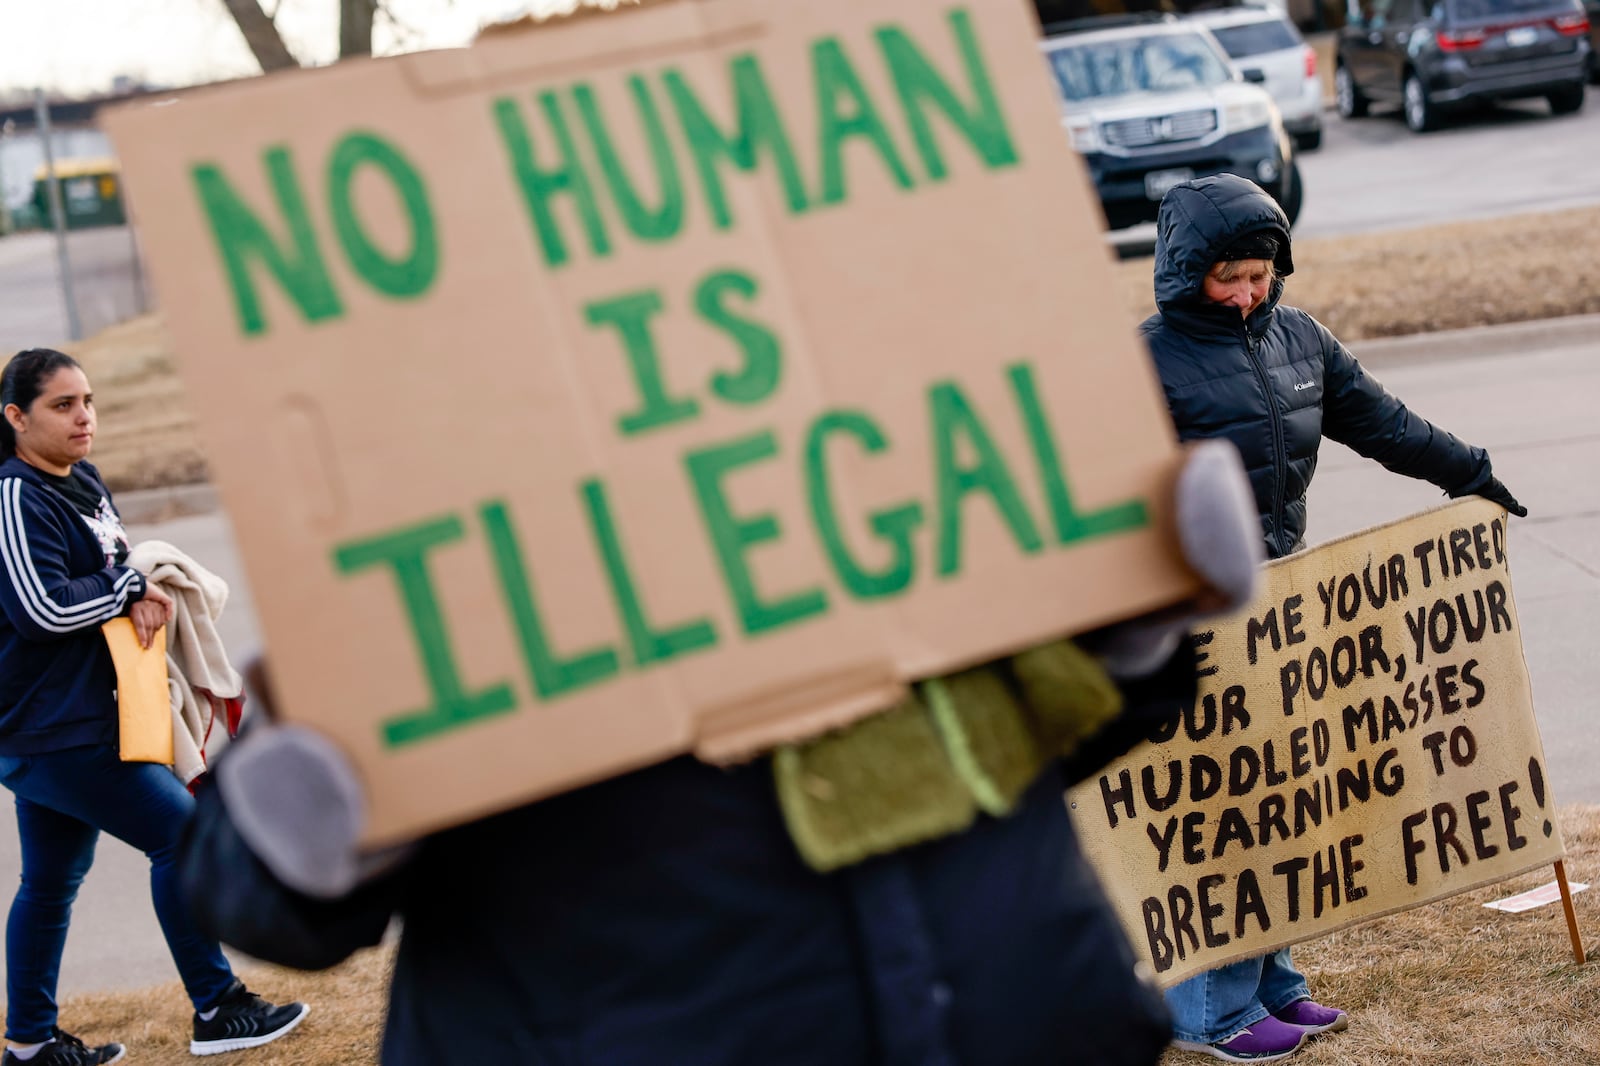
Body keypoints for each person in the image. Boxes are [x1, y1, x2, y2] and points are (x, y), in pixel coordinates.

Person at [176, 439, 1269, 1065]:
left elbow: (1003, 757)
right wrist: (316, 830)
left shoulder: (874, 461)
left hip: (1021, 1025)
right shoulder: (456, 547)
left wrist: (1123, 635)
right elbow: (259, 893)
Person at [1139, 174, 1526, 1064]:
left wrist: (1467, 470)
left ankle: (1272, 982)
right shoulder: (1145, 362)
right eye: (1227, 277)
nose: (1247, 293)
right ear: (1183, 270)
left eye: (1261, 274)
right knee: (1221, 811)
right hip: (1189, 619)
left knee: (1279, 801)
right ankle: (1206, 1009)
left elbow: (1379, 420)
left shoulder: (1299, 338)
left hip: (1282, 607)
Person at [0, 349, 310, 1066]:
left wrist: (134, 583)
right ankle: (217, 1007)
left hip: (84, 714)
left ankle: (28, 1046)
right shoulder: (16, 496)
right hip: (51, 727)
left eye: (88, 401)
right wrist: (127, 589)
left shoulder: (83, 480)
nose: (84, 417)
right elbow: (41, 609)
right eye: (62, 405)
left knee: (49, 882)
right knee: (184, 836)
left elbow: (113, 568)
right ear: (15, 418)